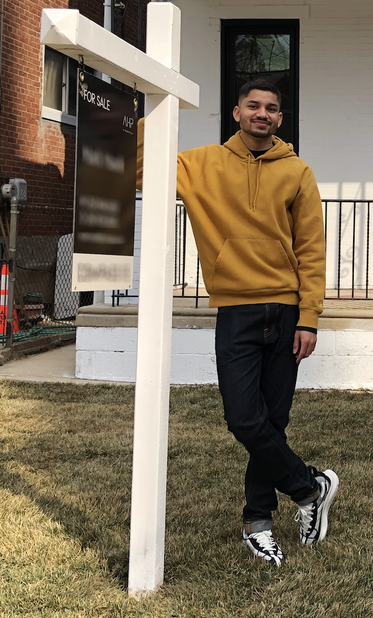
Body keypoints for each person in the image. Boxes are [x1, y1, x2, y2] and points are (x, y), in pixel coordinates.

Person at [137, 77, 336, 567]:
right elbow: (144, 173)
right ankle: (310, 489)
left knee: (274, 420)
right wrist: (146, 110)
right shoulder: (201, 164)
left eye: (271, 108)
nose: (262, 114)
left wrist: (308, 317)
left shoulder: (297, 172)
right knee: (244, 418)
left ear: (280, 120)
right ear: (236, 112)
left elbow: (311, 250)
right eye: (253, 106)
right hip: (236, 309)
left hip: (287, 311)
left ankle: (258, 522)